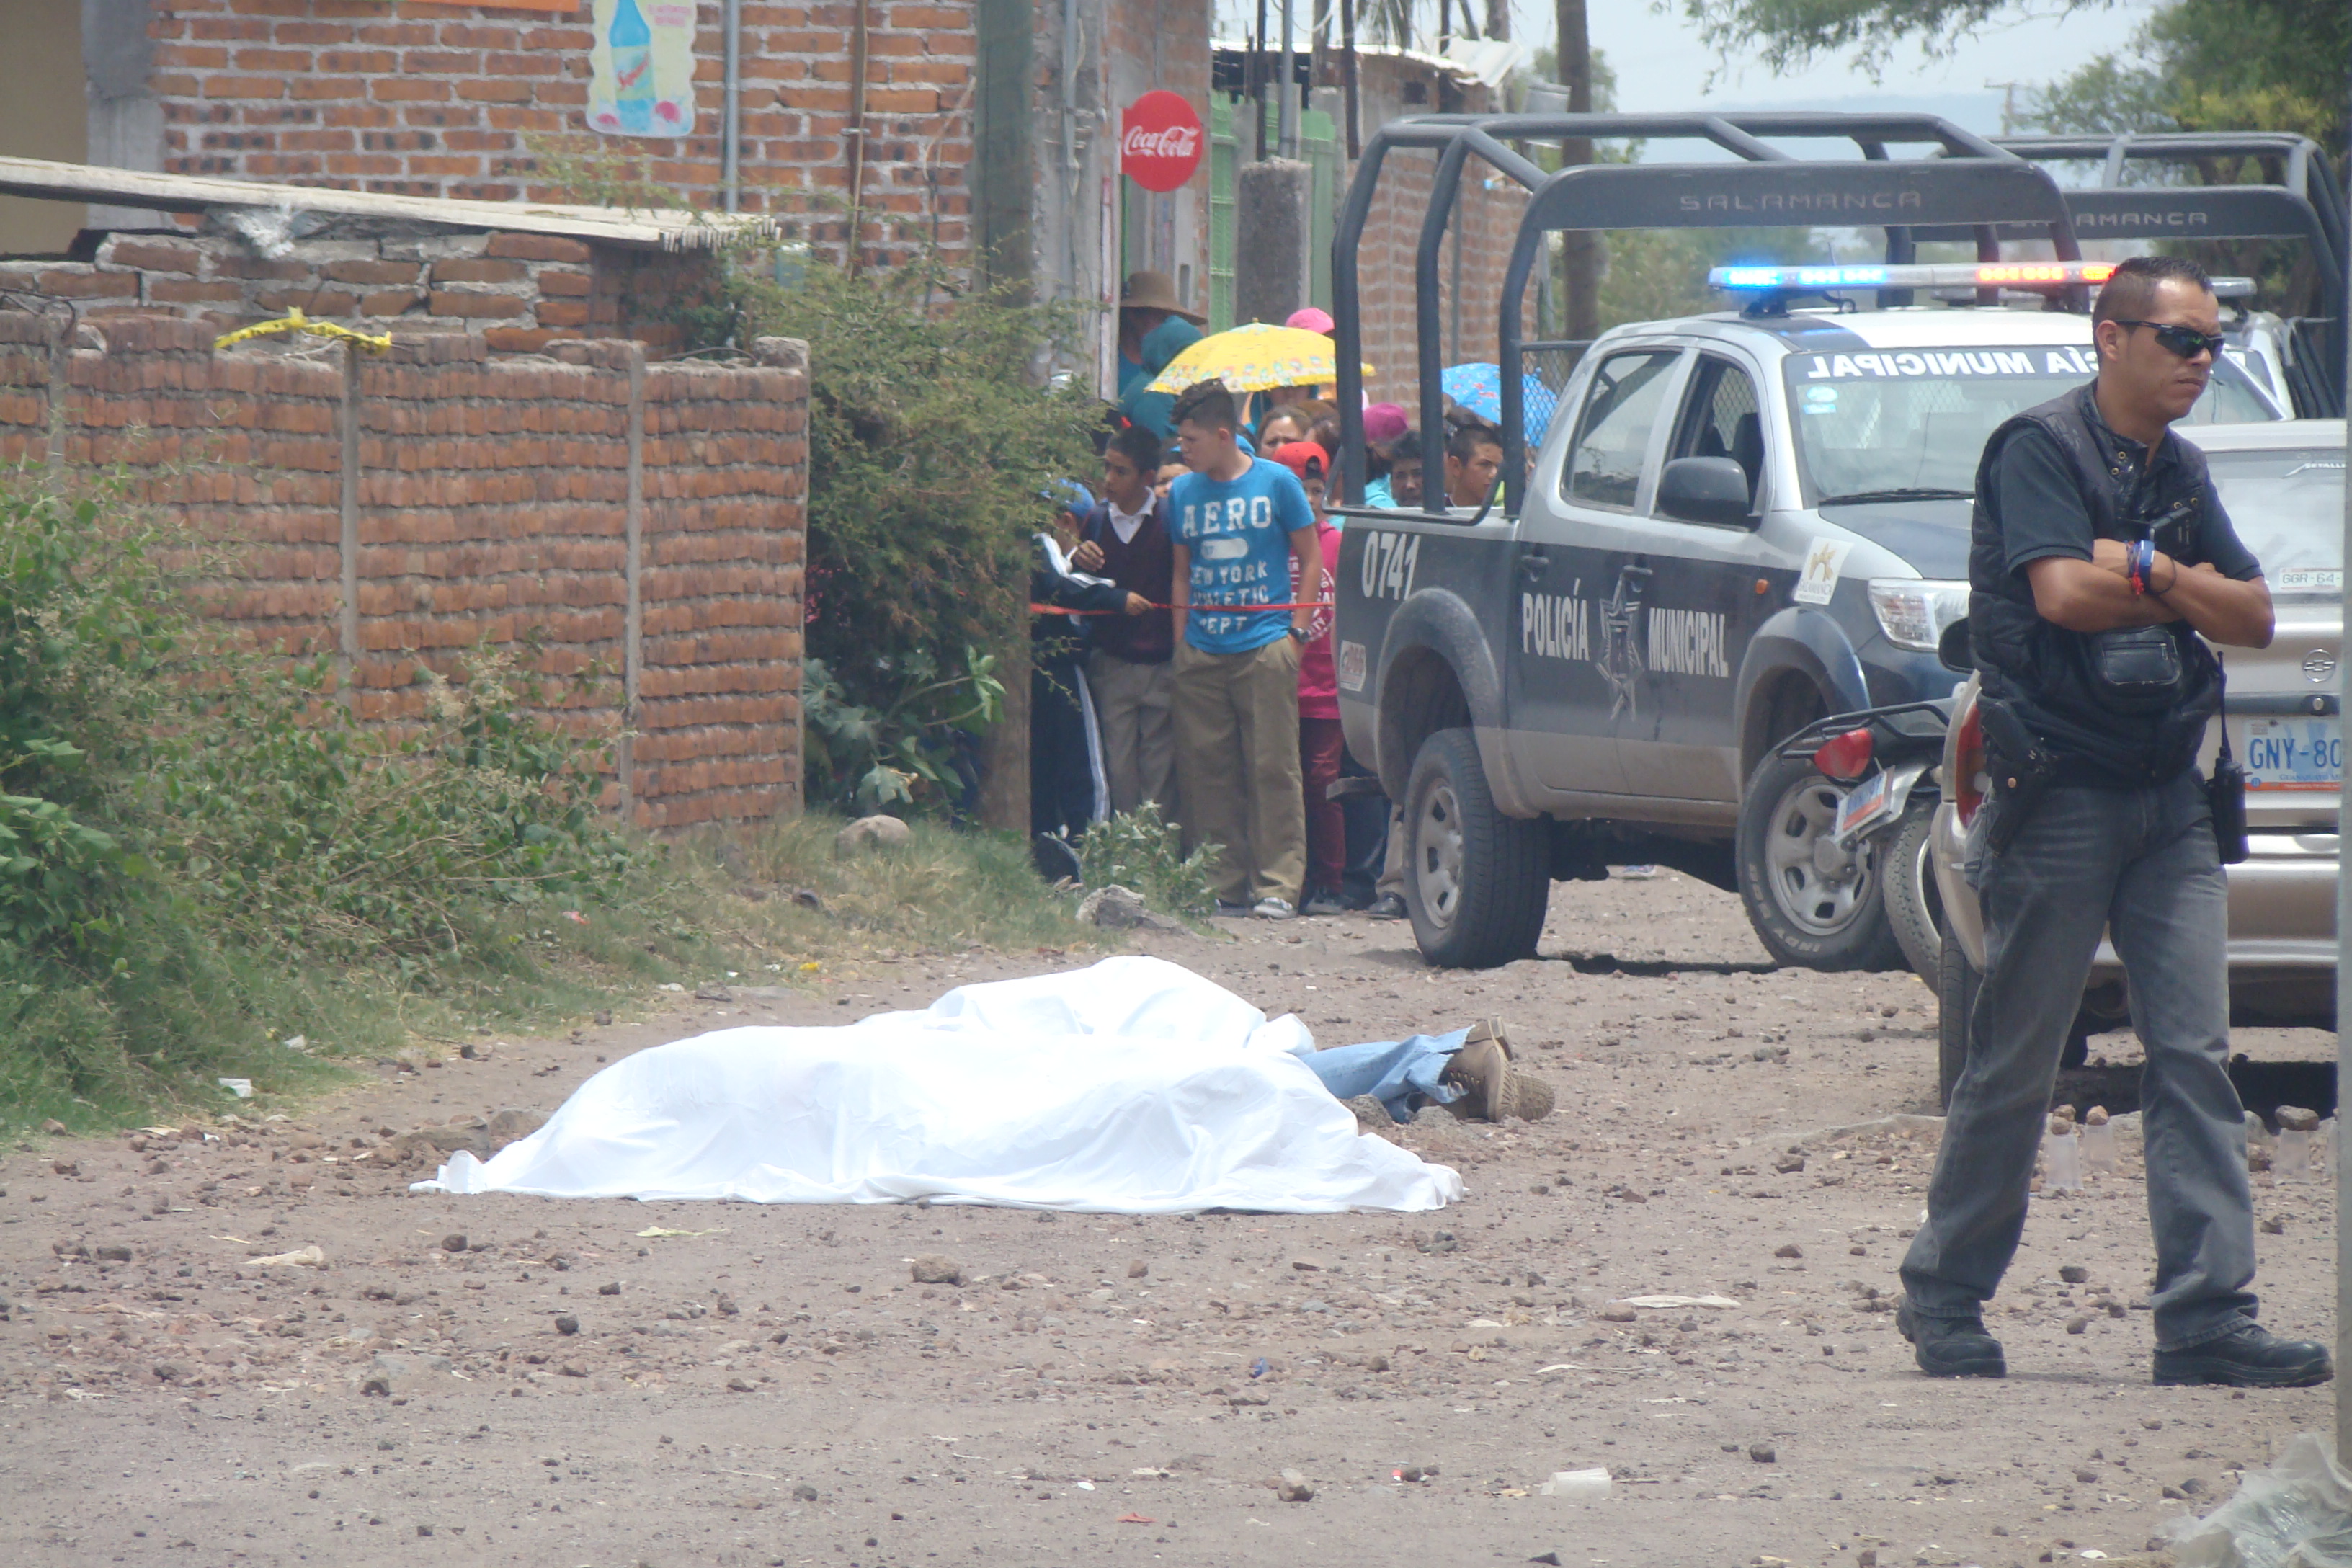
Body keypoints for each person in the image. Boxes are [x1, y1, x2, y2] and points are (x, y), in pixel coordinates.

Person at [1897, 255, 2328, 1389]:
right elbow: (2058, 595)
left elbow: (2252, 611)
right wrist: (2168, 581)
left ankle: (2205, 1320)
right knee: (2018, 1059)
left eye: (2213, 342)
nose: (2203, 361)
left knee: (2193, 1055)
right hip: (2061, 797)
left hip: (2170, 799)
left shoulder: (2179, 471)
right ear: (2112, 338)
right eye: (2182, 340)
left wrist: (2149, 566)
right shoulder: (2040, 449)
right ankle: (1944, 1293)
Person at [1167, 378, 1325, 920]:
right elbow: (1182, 572)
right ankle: (1221, 882)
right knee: (1207, 770)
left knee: (1272, 768)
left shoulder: (1277, 483)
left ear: (1222, 433)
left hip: (1265, 646)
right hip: (1203, 650)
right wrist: (1181, 645)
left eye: (1191, 440)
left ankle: (1277, 885)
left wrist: (1296, 635)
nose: (1182, 451)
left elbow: (1311, 559)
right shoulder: (1183, 493)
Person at [1069, 424, 1180, 819]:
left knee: (1160, 770)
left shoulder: (1169, 520)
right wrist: (1076, 558)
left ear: (1148, 478)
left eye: (1121, 472)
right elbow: (1078, 584)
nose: (1108, 480)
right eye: (1107, 469)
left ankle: (1157, 861)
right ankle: (1122, 855)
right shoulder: (1097, 520)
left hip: (1162, 666)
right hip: (1113, 665)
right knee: (1118, 768)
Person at [1030, 486, 1144, 860]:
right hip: (1061, 665)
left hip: (1038, 666)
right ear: (1066, 522)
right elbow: (1060, 587)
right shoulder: (1041, 542)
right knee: (1084, 761)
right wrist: (1114, 595)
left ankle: (1054, 842)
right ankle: (1090, 844)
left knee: (1048, 760)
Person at [1271, 440, 1347, 917]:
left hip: (1327, 687)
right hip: (1279, 684)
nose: (1310, 499)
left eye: (1317, 489)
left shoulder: (1338, 543)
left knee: (1323, 782)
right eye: (1300, 489)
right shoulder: (1270, 543)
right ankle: (1287, 882)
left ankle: (1331, 881)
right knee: (1282, 783)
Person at [1115, 270, 1203, 406]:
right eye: (1161, 318)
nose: (1167, 326)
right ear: (1133, 315)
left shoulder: (1171, 364)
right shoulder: (1109, 361)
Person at [1442, 415, 1505, 509]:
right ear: (1456, 466)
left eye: (1498, 466)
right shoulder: (1433, 515)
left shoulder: (1509, 516)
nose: (1494, 474)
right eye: (1484, 465)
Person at [1365, 429, 1423, 510]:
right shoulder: (1381, 513)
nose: (1409, 485)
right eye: (1400, 476)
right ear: (1391, 482)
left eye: (1418, 474)